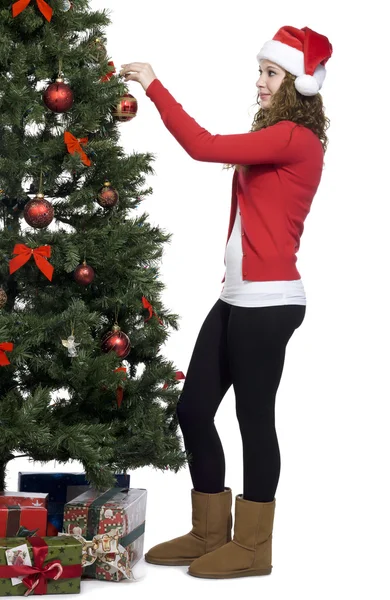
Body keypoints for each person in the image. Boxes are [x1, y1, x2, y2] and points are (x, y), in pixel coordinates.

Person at [120, 24, 333, 580]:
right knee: (193, 409)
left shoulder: (293, 138)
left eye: (271, 73)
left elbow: (203, 146)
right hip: (237, 297)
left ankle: (253, 547)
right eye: (260, 71)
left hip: (270, 302)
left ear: (299, 85)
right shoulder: (278, 136)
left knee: (252, 417)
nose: (259, 82)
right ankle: (211, 530)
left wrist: (155, 84)